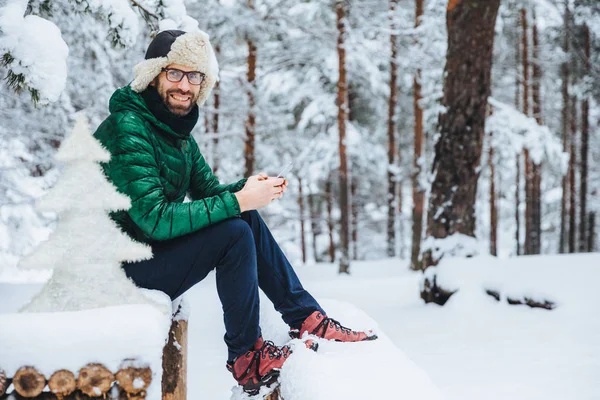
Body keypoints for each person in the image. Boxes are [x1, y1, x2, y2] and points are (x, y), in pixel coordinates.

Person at [93, 29, 377, 394]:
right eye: (174, 73)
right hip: (116, 271)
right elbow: (155, 218)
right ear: (153, 75)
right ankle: (246, 357)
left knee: (243, 217)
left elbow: (210, 194)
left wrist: (247, 190)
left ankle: (305, 317)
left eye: (194, 76)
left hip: (148, 252)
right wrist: (239, 200)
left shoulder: (175, 133)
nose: (185, 85)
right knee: (234, 233)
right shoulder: (128, 128)